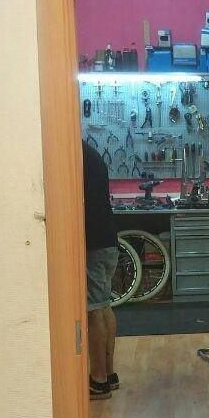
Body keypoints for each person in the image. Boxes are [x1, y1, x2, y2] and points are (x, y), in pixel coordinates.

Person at [82, 140, 119, 401]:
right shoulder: (93, 155)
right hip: (108, 240)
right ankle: (109, 373)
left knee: (93, 311)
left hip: (93, 244)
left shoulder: (76, 156)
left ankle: (98, 380)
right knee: (104, 306)